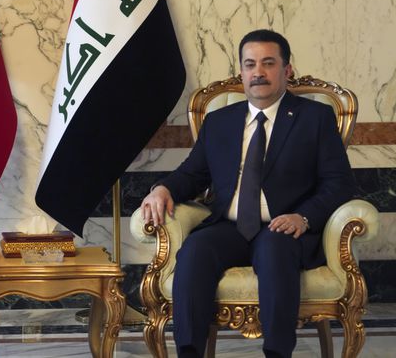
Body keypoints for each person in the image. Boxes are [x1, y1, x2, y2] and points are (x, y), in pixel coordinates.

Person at [140, 29, 355, 358]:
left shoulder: (315, 118)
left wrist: (304, 217)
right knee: (195, 250)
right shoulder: (219, 122)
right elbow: (192, 174)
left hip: (284, 227)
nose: (258, 72)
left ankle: (277, 353)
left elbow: (338, 182)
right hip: (230, 227)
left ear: (287, 70)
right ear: (241, 72)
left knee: (274, 251)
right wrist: (161, 189)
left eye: (268, 63)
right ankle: (189, 352)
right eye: (250, 64)